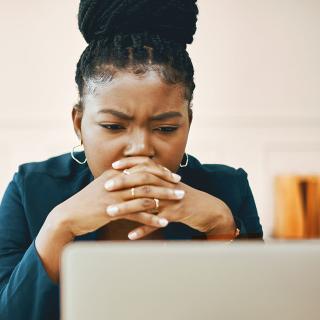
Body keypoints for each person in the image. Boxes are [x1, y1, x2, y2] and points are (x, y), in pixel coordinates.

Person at [0, 0, 263, 319]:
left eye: (165, 128)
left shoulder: (228, 190)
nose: (140, 148)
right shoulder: (30, 190)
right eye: (113, 126)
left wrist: (221, 226)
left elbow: (259, 310)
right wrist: (59, 227)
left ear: (188, 125)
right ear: (78, 124)